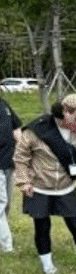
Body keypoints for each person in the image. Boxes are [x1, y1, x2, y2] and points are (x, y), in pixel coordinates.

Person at [13, 93, 76, 274]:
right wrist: (24, 181)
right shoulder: (35, 131)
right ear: (65, 112)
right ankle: (48, 269)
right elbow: (20, 157)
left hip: (66, 187)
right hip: (39, 187)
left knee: (75, 223)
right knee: (42, 226)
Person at [0, 95, 23, 254]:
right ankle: (7, 246)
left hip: (9, 163)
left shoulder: (4, 104)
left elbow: (16, 129)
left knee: (6, 204)